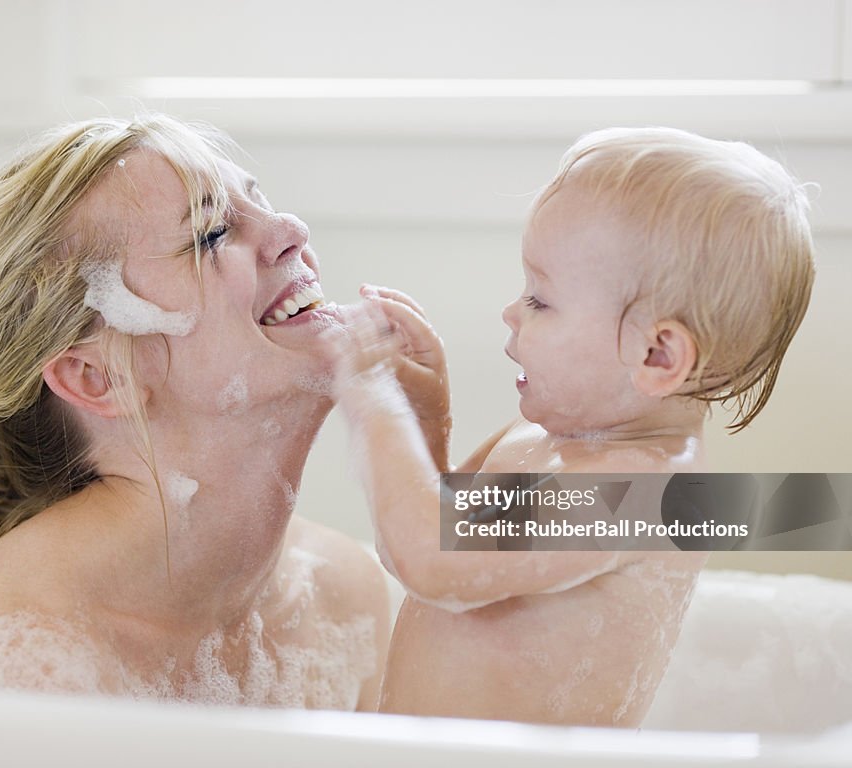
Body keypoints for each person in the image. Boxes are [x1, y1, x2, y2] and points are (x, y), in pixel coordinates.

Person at [0, 114, 393, 709]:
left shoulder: (340, 590)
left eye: (261, 201)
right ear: (98, 377)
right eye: (211, 236)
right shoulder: (24, 673)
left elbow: (503, 557)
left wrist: (437, 451)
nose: (291, 229)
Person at [327, 127, 815, 725]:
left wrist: (372, 395)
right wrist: (427, 411)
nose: (511, 311)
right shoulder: (541, 440)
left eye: (540, 300)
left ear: (657, 356)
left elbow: (430, 560)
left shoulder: (645, 493)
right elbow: (413, 546)